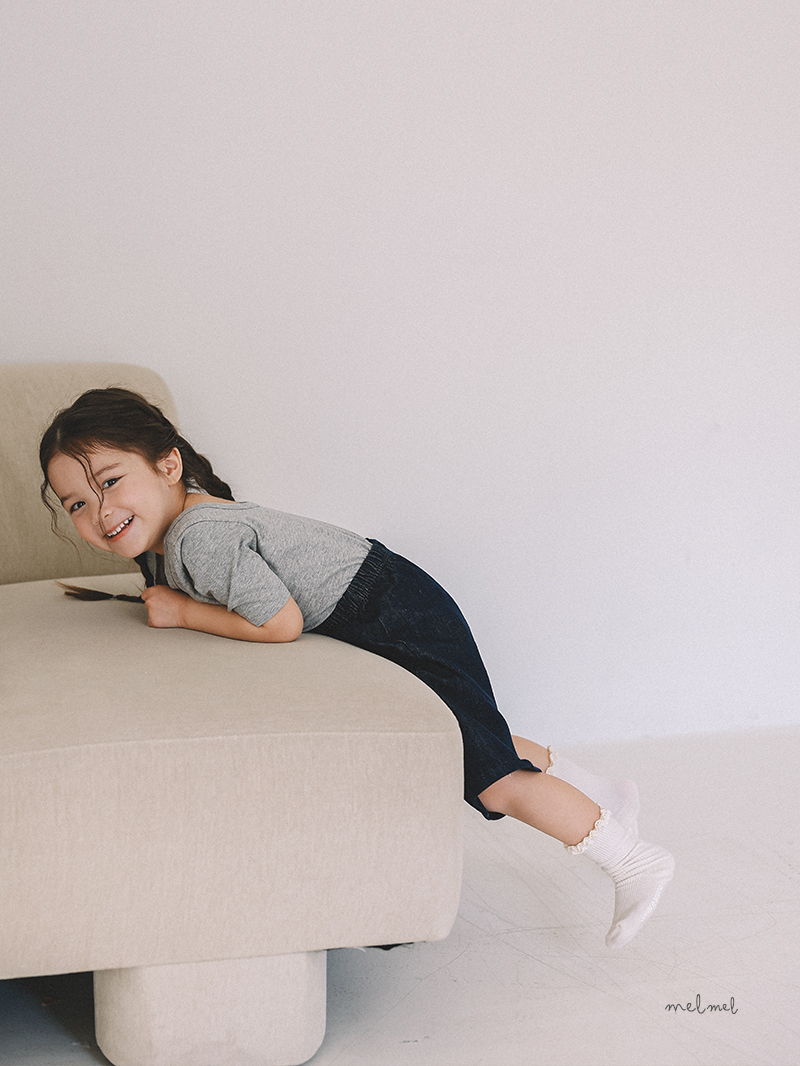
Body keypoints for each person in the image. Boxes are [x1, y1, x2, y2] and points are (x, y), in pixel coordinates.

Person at [40, 386, 674, 950]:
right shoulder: (178, 533)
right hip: (388, 598)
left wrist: (182, 613)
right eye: (76, 504)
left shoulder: (196, 537)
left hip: (393, 613)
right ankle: (605, 795)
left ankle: (634, 862)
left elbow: (280, 623)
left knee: (489, 776)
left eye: (110, 482)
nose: (98, 511)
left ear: (168, 465)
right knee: (473, 732)